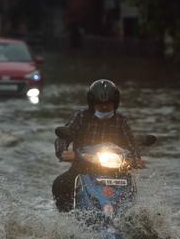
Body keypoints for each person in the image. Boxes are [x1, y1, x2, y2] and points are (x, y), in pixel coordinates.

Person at [52, 79, 143, 212]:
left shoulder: (121, 121)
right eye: (101, 105)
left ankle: (132, 217)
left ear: (115, 104)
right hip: (83, 167)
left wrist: (137, 158)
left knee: (132, 187)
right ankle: (67, 219)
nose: (105, 107)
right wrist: (63, 152)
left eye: (108, 104)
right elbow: (64, 136)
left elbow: (131, 143)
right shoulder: (82, 117)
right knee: (60, 184)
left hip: (117, 170)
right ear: (92, 104)